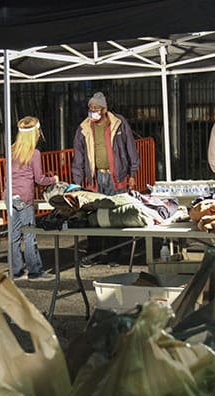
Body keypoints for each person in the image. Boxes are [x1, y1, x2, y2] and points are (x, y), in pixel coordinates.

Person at [71, 91, 139, 266]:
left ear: (104, 109)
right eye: (90, 108)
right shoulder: (83, 129)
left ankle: (115, 255)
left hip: (117, 178)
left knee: (115, 216)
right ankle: (94, 253)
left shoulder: (119, 124)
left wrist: (133, 173)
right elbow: (78, 158)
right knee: (93, 217)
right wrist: (77, 183)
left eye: (96, 108)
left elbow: (130, 148)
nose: (92, 111)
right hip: (96, 179)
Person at [5, 116, 57, 281]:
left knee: (13, 235)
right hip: (25, 197)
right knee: (29, 234)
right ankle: (35, 271)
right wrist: (54, 179)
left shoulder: (11, 151)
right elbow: (39, 179)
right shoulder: (34, 153)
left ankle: (16, 271)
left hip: (10, 195)